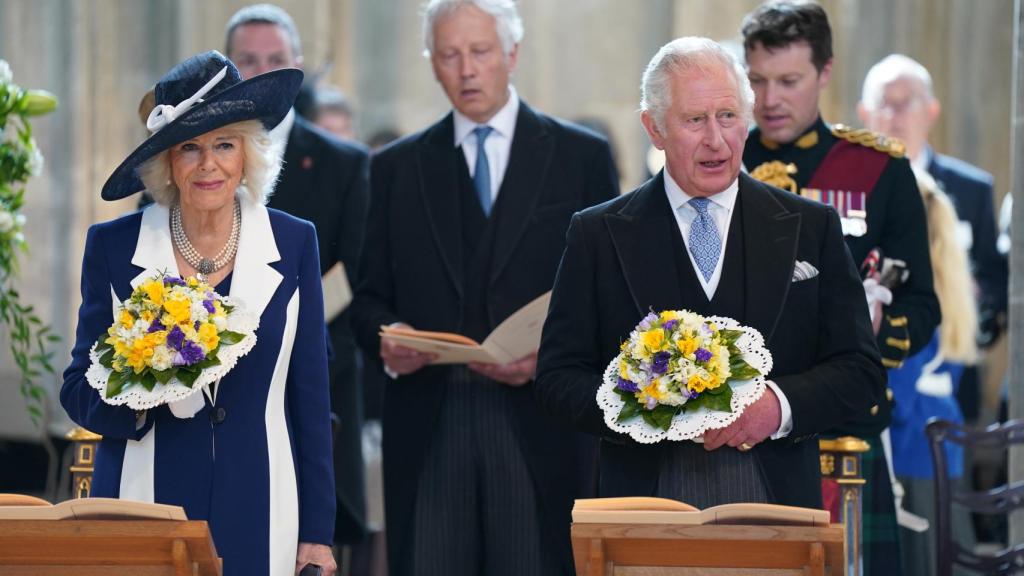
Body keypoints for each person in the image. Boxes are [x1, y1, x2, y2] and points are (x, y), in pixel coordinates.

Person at [535, 36, 884, 511]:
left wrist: (777, 407)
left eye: (728, 117)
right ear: (654, 128)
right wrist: (638, 402)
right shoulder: (597, 233)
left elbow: (860, 370)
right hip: (644, 506)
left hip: (775, 500)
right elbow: (557, 378)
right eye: (695, 120)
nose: (716, 140)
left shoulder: (811, 226)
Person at [351, 1, 619, 574]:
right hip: (428, 424)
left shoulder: (580, 158)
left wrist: (551, 358)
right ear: (433, 65)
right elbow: (367, 296)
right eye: (449, 55)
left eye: (480, 52)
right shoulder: (396, 167)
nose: (466, 69)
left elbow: (611, 296)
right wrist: (387, 339)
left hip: (540, 423)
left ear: (512, 55)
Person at [60, 51, 336, 576]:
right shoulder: (113, 247)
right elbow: (77, 389)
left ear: (247, 155)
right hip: (142, 508)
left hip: (264, 504)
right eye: (189, 147)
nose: (208, 164)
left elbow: (311, 395)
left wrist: (317, 535)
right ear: (166, 162)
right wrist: (141, 388)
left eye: (224, 144)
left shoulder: (295, 242)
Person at [740, 3, 940, 572]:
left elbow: (924, 306)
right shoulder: (722, 160)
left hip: (844, 430)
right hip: (738, 426)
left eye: (788, 81)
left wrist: (877, 331)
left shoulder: (878, 170)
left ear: (825, 72)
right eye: (756, 80)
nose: (770, 98)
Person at [225, 3, 371, 550]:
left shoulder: (345, 163)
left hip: (315, 387)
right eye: (247, 61)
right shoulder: (189, 159)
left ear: (298, 68)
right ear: (227, 70)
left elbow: (359, 278)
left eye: (276, 60)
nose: (263, 73)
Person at [858, 53, 1007, 422]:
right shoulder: (849, 188)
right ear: (864, 113)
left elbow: (995, 280)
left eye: (906, 103)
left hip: (950, 377)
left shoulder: (970, 190)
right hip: (869, 373)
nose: (894, 116)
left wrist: (971, 308)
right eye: (883, 104)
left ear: (931, 110)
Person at [885, 168, 977, 576]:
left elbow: (897, 394)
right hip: (941, 448)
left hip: (909, 450)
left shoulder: (915, 301)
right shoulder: (950, 285)